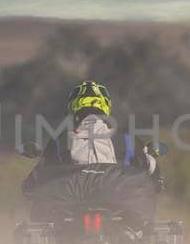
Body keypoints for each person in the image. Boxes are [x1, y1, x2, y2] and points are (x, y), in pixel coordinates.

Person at [20, 80, 162, 203]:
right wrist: (156, 182)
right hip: (117, 205)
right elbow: (150, 166)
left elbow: (38, 176)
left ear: (73, 107)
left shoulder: (59, 140)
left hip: (69, 210)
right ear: (105, 106)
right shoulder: (127, 138)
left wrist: (29, 185)